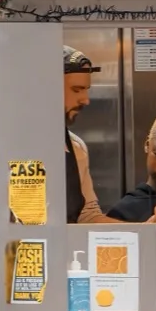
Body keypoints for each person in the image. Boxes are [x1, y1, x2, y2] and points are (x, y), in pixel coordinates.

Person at [63, 47, 119, 224]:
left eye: (86, 90)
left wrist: (145, 229)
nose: (86, 100)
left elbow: (88, 216)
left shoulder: (76, 148)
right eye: (77, 90)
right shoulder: (8, 145)